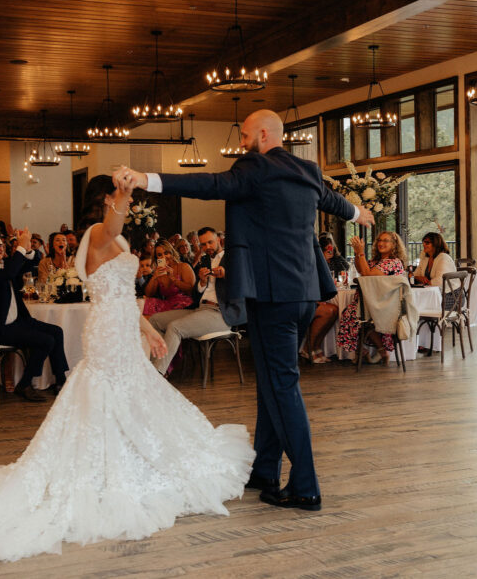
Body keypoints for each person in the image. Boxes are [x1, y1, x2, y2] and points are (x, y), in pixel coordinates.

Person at [0, 174, 253, 563]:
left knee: (132, 393)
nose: (129, 205)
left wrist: (147, 328)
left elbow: (125, 294)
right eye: (121, 198)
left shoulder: (118, 239)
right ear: (106, 199)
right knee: (106, 393)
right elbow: (113, 224)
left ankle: (135, 455)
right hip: (106, 333)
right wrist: (126, 188)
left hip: (122, 327)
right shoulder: (99, 232)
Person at [117, 108, 373, 512]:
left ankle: (305, 485)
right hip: (305, 293)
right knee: (271, 382)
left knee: (282, 384)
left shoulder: (255, 166)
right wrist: (361, 214)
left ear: (265, 135)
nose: (241, 142)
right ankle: (265, 470)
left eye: (246, 135)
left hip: (271, 295)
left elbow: (208, 183)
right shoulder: (306, 170)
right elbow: (335, 201)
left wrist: (147, 180)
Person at [0, 230, 68, 401]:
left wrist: (28, 249)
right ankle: (24, 384)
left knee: (56, 331)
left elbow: (32, 264)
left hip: (18, 321)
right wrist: (21, 247)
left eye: (0, 245)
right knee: (46, 340)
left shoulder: (5, 264)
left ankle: (61, 380)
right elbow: (8, 274)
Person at [149, 226, 232, 374]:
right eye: (203, 245)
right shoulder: (205, 259)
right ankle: (164, 367)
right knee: (154, 321)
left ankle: (155, 375)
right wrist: (200, 282)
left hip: (221, 313)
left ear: (219, 240)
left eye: (210, 243)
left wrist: (226, 275)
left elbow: (247, 283)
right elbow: (195, 294)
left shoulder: (233, 259)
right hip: (200, 309)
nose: (207, 247)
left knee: (175, 327)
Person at [336, 232, 408, 362]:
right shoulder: (377, 261)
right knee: (352, 313)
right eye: (379, 240)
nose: (381, 243)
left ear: (394, 245)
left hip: (384, 306)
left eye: (386, 241)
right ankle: (373, 351)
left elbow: (367, 275)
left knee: (353, 315)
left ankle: (363, 351)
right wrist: (358, 253)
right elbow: (360, 269)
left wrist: (361, 252)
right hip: (372, 304)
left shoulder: (393, 262)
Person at [301, 234, 349, 363]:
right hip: (305, 301)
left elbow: (346, 268)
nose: (330, 251)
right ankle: (307, 349)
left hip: (316, 298)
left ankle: (316, 347)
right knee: (328, 312)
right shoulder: (311, 260)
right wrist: (322, 260)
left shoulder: (336, 259)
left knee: (334, 310)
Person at [141, 241, 195, 316]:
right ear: (157, 258)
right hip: (167, 304)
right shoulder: (159, 272)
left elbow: (191, 290)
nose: (164, 257)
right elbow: (148, 294)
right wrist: (154, 277)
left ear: (172, 253)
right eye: (160, 255)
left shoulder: (183, 266)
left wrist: (173, 279)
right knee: (142, 303)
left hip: (184, 304)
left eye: (166, 253)